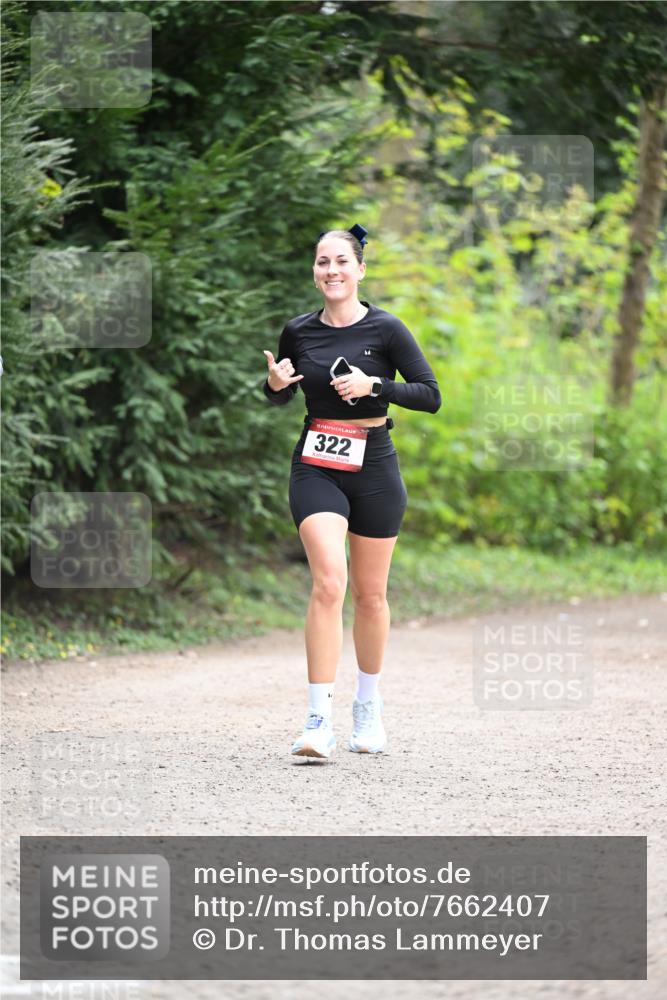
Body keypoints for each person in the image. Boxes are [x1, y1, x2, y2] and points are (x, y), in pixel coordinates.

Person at [262, 224, 441, 761]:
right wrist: (273, 387)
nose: (331, 271)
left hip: (376, 466)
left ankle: (368, 706)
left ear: (360, 269)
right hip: (317, 463)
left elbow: (430, 395)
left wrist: (375, 387)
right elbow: (279, 391)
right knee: (328, 583)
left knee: (370, 595)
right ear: (314, 271)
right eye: (322, 262)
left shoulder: (387, 329)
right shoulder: (298, 331)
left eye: (341, 261)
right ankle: (318, 720)